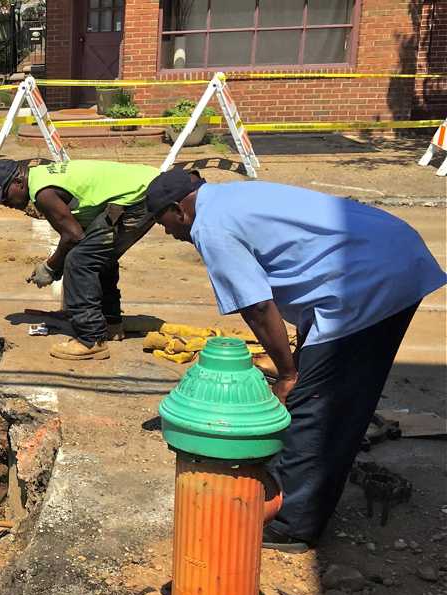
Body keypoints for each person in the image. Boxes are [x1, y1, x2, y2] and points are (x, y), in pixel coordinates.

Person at [145, 168, 446, 552]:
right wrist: (300, 361)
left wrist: (288, 374)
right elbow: (304, 266)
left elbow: (256, 307)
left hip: (369, 278)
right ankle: (305, 485)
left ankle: (291, 524)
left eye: (164, 223)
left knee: (314, 405)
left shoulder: (211, 226)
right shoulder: (232, 198)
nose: (169, 233)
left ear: (178, 210)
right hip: (393, 255)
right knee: (334, 391)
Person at [0, 158, 160, 360]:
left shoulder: (42, 192)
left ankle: (91, 339)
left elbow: (73, 236)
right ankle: (111, 323)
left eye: (6, 197)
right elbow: (80, 235)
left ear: (18, 182)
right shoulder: (42, 177)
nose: (8, 204)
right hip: (145, 187)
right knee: (97, 254)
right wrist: (54, 266)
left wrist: (49, 268)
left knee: (80, 261)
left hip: (139, 197)